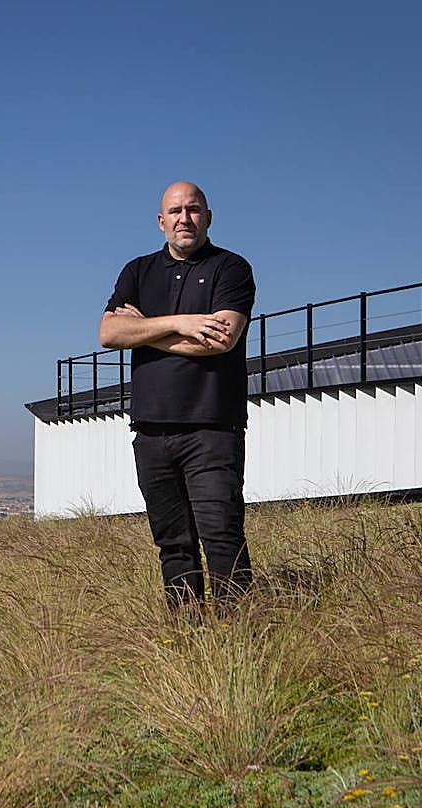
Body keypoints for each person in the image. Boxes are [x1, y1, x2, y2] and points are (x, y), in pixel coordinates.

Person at [98, 181, 255, 604]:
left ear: (208, 216)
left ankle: (236, 633)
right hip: (151, 432)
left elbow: (221, 339)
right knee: (172, 544)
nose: (184, 218)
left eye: (193, 209)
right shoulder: (137, 271)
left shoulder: (231, 268)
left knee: (221, 537)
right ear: (160, 220)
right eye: (175, 211)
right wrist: (183, 323)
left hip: (211, 429)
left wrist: (145, 329)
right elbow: (109, 332)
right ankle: (185, 634)